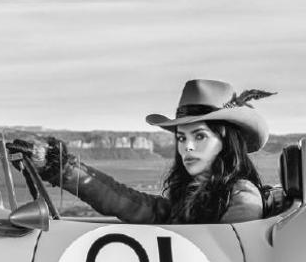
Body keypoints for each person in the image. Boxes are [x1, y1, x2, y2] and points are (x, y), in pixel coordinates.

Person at [22, 79, 277, 225]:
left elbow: (235, 251)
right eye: (181, 138)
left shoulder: (242, 195)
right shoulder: (187, 201)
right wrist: (59, 166)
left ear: (226, 142)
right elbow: (126, 202)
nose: (187, 147)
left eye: (199, 136)